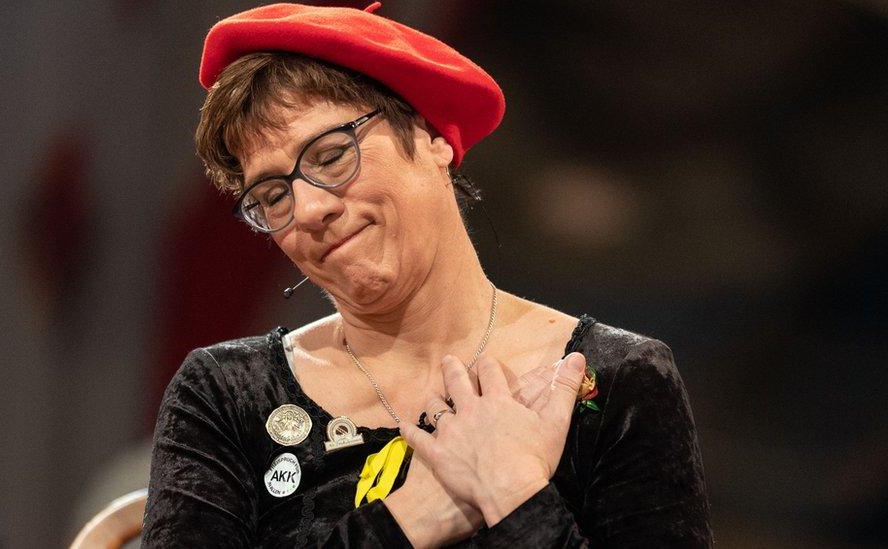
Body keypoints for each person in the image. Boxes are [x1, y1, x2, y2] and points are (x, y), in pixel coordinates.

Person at [142, 3, 712, 547]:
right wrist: (410, 519)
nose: (310, 210)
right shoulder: (223, 396)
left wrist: (514, 492)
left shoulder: (618, 381)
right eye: (272, 195)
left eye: (331, 155)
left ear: (430, 136)